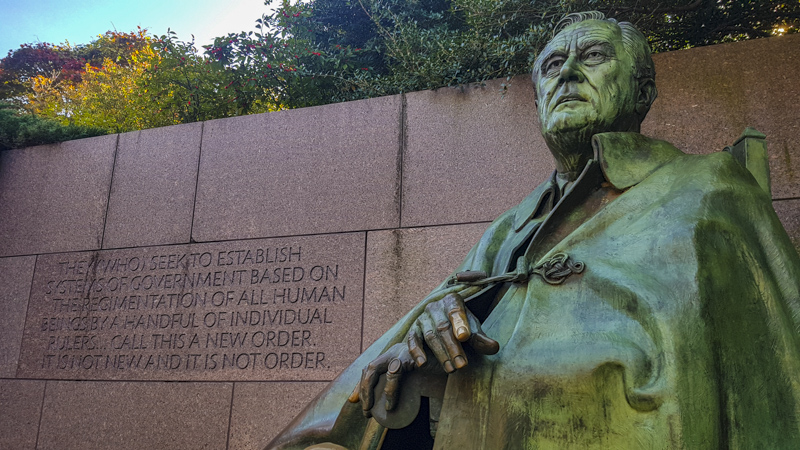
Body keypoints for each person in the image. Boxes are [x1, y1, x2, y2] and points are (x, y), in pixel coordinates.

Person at [268, 11, 800, 449]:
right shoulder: (513, 222)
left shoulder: (709, 187)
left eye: (592, 56)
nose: (566, 73)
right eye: (550, 65)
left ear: (642, 90)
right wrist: (433, 321)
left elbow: (775, 366)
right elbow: (459, 299)